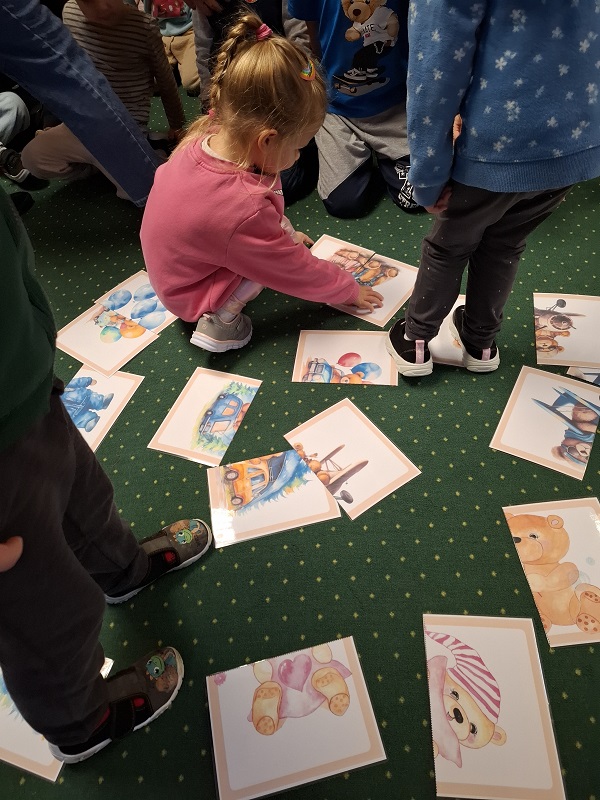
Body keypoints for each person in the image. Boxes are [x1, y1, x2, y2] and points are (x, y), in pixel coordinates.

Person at [0, 185, 213, 763]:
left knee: (85, 497)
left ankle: (123, 571)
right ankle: (79, 723)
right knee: (46, 611)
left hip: (21, 386)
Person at [140, 13, 383, 353]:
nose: (298, 157)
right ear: (267, 140)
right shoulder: (243, 206)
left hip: (175, 270)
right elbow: (292, 269)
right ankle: (220, 322)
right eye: (298, 148)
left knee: (260, 241)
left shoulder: (207, 136)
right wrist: (347, 289)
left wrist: (281, 231)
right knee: (264, 267)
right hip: (191, 294)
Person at [386, 1, 600, 377]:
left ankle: (416, 341)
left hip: (496, 143)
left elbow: (434, 69)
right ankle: (481, 343)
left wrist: (428, 178)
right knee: (505, 244)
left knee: (448, 246)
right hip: (573, 141)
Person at [21, 0, 186, 200]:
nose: (103, 8)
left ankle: (143, 154)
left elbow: (166, 80)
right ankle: (106, 164)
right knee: (31, 158)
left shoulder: (144, 26)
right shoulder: (70, 12)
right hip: (81, 124)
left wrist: (177, 124)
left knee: (145, 193)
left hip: (125, 127)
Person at [288, 0, 419, 218]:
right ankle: (365, 160)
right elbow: (312, 31)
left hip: (393, 105)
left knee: (415, 197)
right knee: (343, 202)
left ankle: (386, 158)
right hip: (337, 109)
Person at [192, 0, 319, 204]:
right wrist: (210, 101)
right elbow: (203, 48)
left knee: (285, 183)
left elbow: (300, 43)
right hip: (229, 98)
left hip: (277, 93)